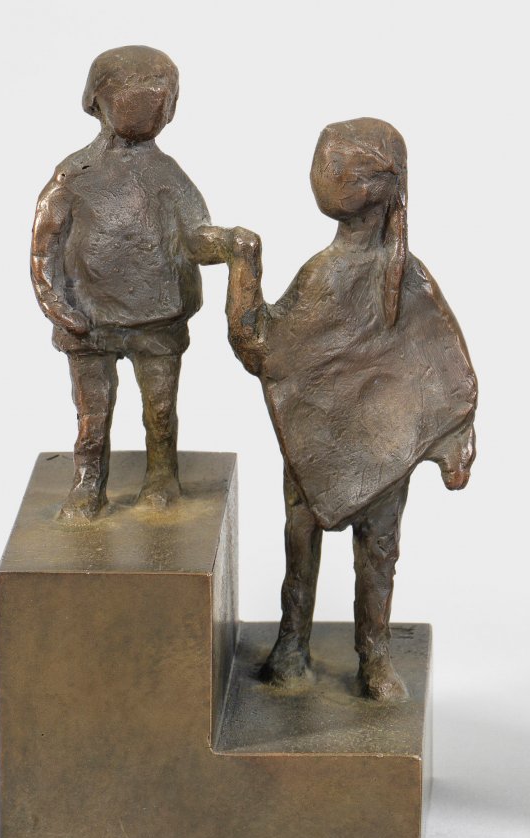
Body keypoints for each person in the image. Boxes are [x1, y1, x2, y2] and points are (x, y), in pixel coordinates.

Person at [224, 117, 477, 700]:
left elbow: (447, 363)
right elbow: (268, 352)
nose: (324, 175)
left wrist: (455, 437)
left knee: (372, 551)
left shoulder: (401, 277)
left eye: (335, 168)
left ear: (371, 189)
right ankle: (294, 643)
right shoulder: (328, 273)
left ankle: (373, 655)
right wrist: (244, 268)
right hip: (316, 437)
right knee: (307, 541)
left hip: (385, 443)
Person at [31, 46, 231, 519]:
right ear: (96, 100)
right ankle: (87, 485)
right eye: (132, 94)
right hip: (88, 321)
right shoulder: (73, 175)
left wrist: (229, 244)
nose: (149, 105)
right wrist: (55, 303)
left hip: (158, 319)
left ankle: (162, 477)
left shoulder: (168, 175)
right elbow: (44, 245)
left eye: (160, 97)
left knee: (160, 411)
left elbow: (195, 237)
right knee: (92, 416)